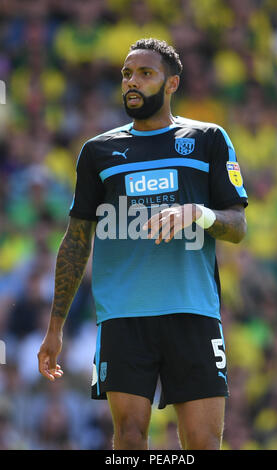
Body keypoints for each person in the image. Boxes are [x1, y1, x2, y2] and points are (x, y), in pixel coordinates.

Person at [38, 38, 248, 450]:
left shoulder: (208, 139)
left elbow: (237, 225)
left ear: (172, 84)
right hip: (123, 317)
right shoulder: (97, 152)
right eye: (126, 74)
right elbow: (77, 240)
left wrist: (197, 214)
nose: (132, 82)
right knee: (130, 438)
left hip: (193, 312)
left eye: (145, 74)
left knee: (203, 442)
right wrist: (55, 328)